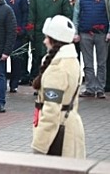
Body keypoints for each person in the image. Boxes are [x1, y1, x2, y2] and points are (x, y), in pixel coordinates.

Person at [31, 15, 85, 159]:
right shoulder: (72, 60)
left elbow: (51, 110)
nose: (44, 41)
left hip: (59, 133)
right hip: (70, 125)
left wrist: (39, 146)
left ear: (53, 40)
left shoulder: (57, 68)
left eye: (46, 37)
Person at [27, 0, 72, 82]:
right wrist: (31, 30)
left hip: (56, 34)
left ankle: (53, 82)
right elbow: (31, 14)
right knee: (37, 58)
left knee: (54, 58)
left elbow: (67, 15)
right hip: (39, 31)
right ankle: (38, 82)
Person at [72, 0, 109, 99]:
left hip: (102, 34)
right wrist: (75, 32)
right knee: (88, 63)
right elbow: (76, 15)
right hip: (85, 33)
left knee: (101, 63)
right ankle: (89, 87)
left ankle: (100, 88)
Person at [0, 0, 29, 93]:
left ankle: (14, 83)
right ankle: (2, 81)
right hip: (1, 32)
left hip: (17, 32)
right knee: (2, 58)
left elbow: (25, 13)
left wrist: (22, 29)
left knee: (16, 59)